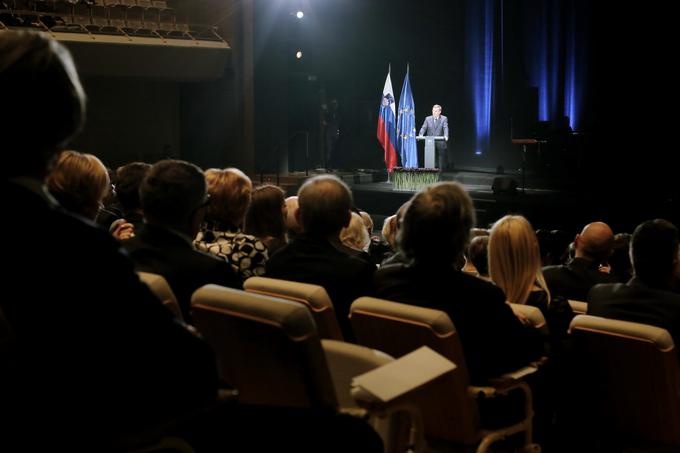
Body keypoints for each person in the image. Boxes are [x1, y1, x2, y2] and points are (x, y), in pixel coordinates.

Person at [418, 104, 449, 170]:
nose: (434, 112)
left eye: (436, 111)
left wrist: (446, 135)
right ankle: (430, 172)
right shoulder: (428, 119)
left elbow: (445, 127)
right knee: (430, 158)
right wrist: (421, 134)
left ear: (440, 112)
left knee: (440, 158)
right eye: (433, 111)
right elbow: (424, 127)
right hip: (430, 142)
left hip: (440, 141)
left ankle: (440, 172)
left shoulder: (444, 118)